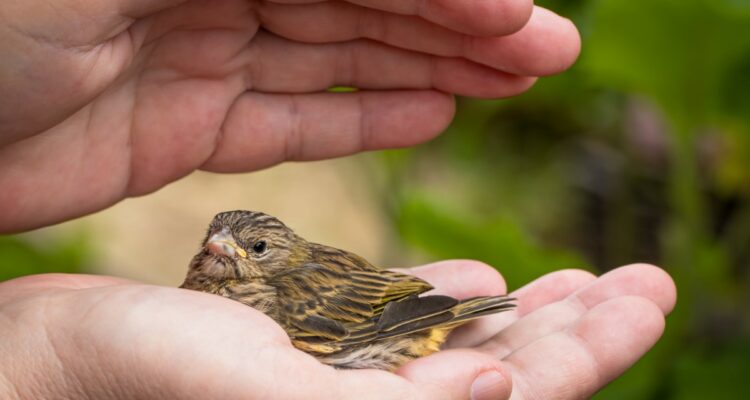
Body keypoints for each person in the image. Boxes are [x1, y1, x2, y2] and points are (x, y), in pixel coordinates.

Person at [0, 0, 676, 399]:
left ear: (278, 255)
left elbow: (380, 309)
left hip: (393, 328)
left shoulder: (292, 300)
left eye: (250, 247)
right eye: (218, 240)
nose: (220, 251)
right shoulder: (225, 291)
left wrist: (447, 313)